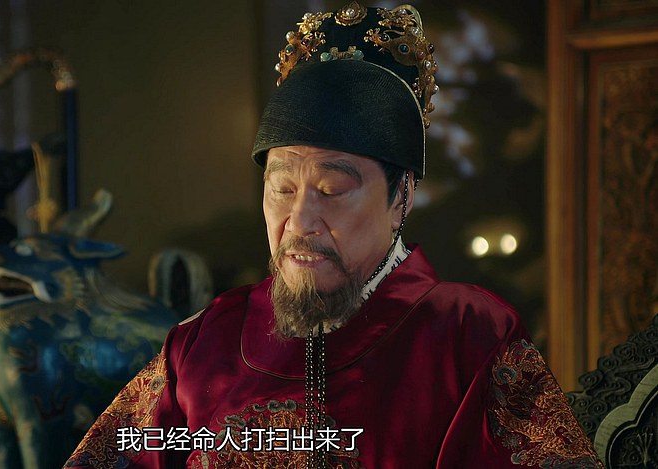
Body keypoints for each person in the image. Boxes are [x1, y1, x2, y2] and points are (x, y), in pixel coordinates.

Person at [64, 2, 603, 468]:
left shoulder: (471, 335)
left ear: (401, 196)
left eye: (332, 189)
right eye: (282, 189)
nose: (300, 221)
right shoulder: (203, 342)